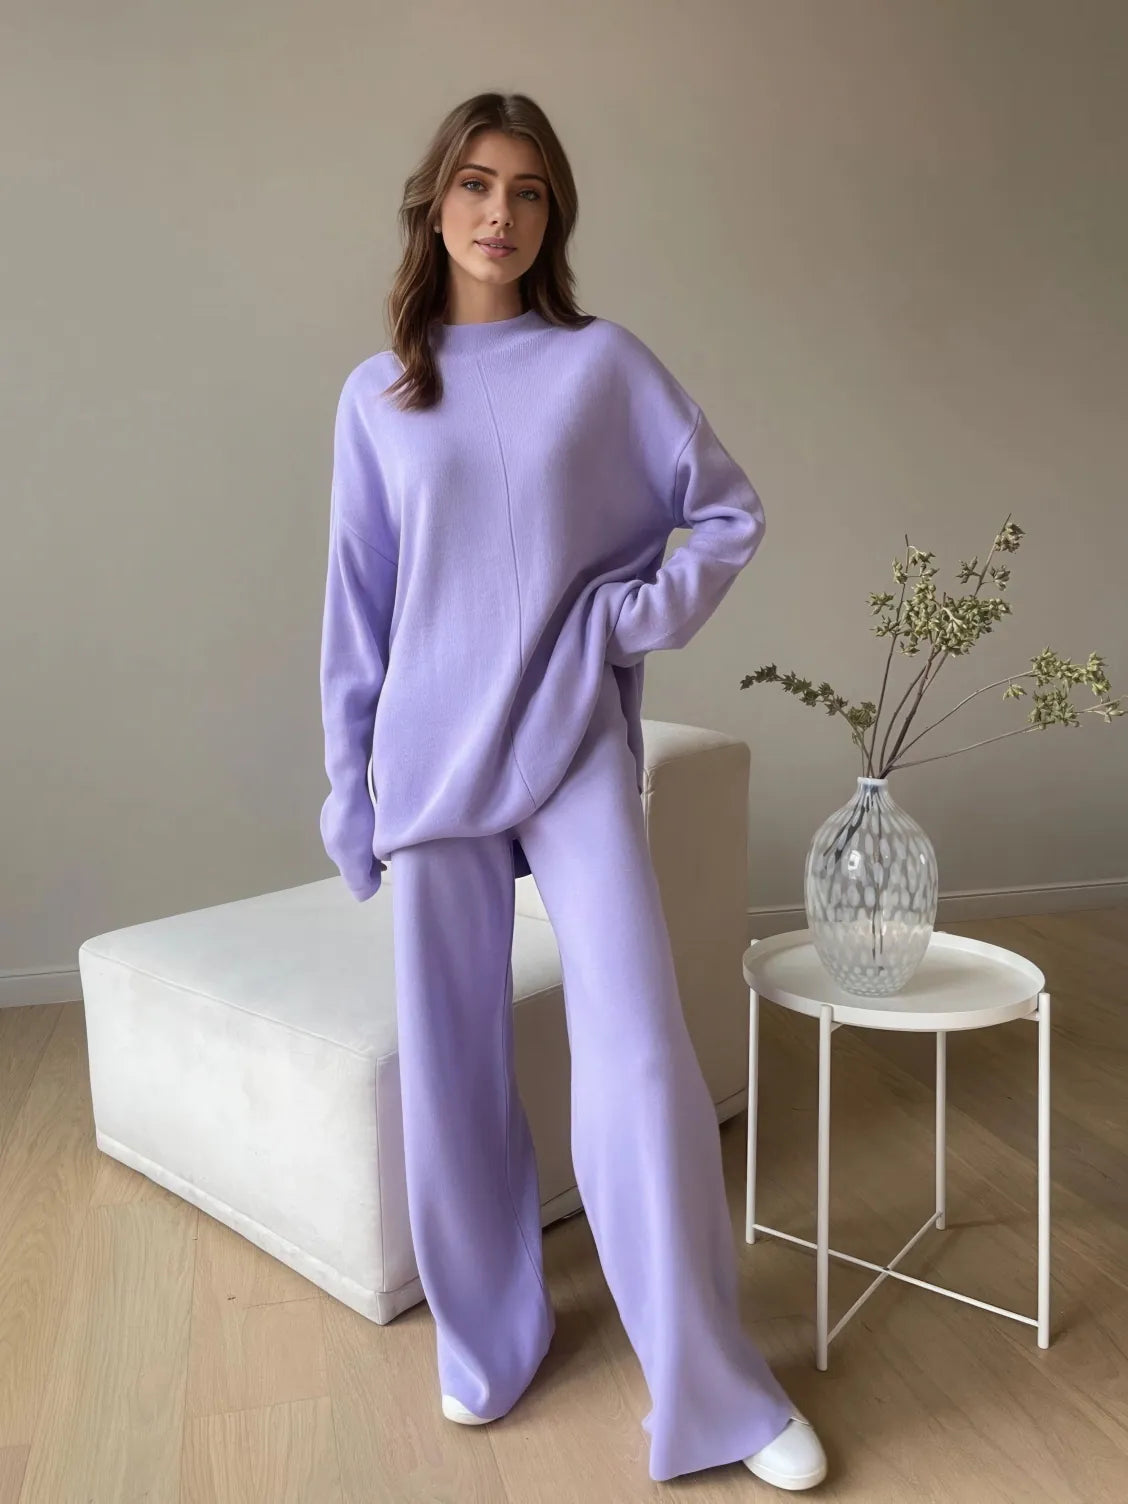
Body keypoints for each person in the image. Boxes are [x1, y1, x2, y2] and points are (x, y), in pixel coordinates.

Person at [318, 90, 828, 1492]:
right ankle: (491, 1341)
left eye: (529, 191)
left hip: (565, 742)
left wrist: (622, 620)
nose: (499, 212)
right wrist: (345, 788)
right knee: (455, 1069)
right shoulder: (378, 395)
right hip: (427, 763)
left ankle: (714, 1390)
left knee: (645, 1059)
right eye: (476, 184)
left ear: (553, 218)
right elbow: (357, 612)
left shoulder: (600, 366)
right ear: (434, 202)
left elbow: (724, 510)